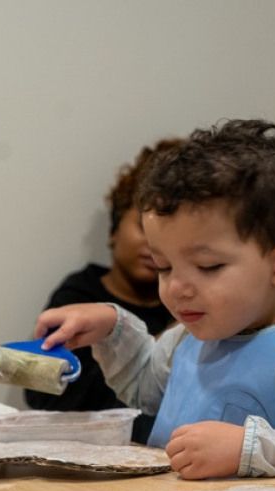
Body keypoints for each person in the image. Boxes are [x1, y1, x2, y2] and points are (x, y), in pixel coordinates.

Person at [34, 119, 275, 479]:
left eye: (208, 266)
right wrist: (112, 328)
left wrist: (247, 449)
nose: (177, 287)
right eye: (164, 267)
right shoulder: (187, 336)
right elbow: (145, 389)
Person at [25, 139, 179, 443]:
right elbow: (46, 396)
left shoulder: (187, 301)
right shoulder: (79, 298)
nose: (153, 245)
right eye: (142, 227)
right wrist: (177, 336)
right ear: (113, 229)